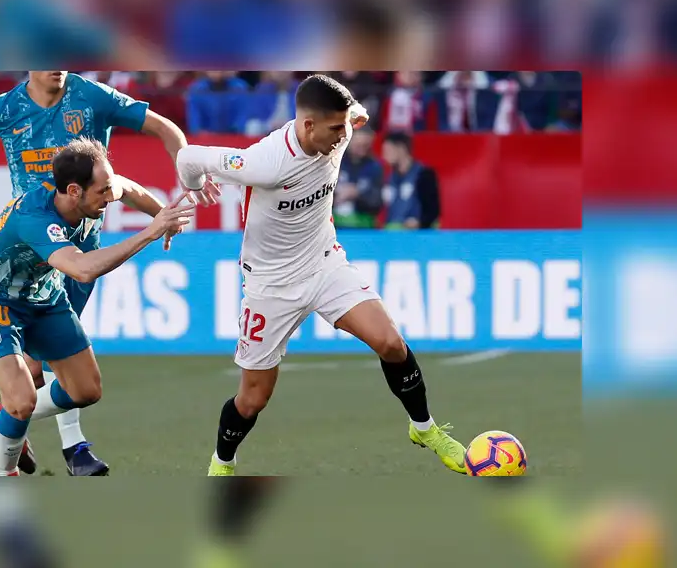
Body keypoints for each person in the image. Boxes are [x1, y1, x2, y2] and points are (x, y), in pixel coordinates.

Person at [175, 74, 466, 476]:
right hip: (270, 285)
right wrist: (195, 187)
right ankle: (223, 462)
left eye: (345, 127)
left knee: (391, 343)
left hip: (324, 263)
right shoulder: (264, 162)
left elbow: (355, 114)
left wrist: (353, 116)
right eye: (335, 129)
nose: (343, 137)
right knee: (252, 400)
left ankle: (425, 429)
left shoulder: (340, 130)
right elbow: (187, 158)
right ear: (307, 125)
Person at [0, 70, 188, 476]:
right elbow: (82, 270)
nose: (109, 196)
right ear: (72, 191)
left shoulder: (91, 117)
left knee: (78, 387)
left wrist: (165, 215)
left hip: (47, 283)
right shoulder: (31, 196)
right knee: (24, 392)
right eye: (102, 192)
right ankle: (34, 462)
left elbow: (127, 186)